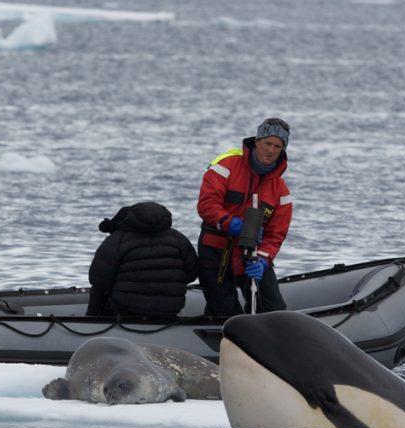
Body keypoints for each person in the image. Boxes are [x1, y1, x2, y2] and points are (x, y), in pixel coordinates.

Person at [196, 117, 293, 316]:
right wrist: (229, 223)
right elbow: (207, 204)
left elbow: (276, 234)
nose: (271, 150)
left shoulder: (281, 190)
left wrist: (264, 260)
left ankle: (265, 341)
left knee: (274, 310)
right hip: (216, 251)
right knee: (223, 310)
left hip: (252, 256)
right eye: (267, 143)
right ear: (257, 141)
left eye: (277, 146)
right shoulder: (227, 166)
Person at [87, 201, 199, 319]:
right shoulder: (178, 239)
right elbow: (192, 273)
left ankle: (91, 322)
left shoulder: (117, 240)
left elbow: (100, 280)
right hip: (170, 308)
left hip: (126, 309)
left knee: (101, 293)